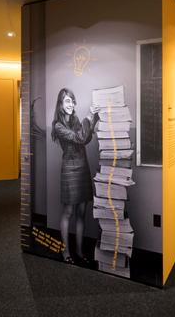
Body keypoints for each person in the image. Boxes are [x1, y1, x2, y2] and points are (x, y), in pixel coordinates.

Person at [51, 88, 99, 265]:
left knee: (81, 212)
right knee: (68, 212)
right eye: (67, 101)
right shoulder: (58, 125)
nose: (71, 104)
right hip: (70, 171)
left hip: (83, 168)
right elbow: (79, 137)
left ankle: (79, 251)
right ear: (61, 104)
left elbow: (85, 138)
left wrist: (92, 119)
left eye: (72, 100)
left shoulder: (76, 119)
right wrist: (88, 117)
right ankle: (65, 252)